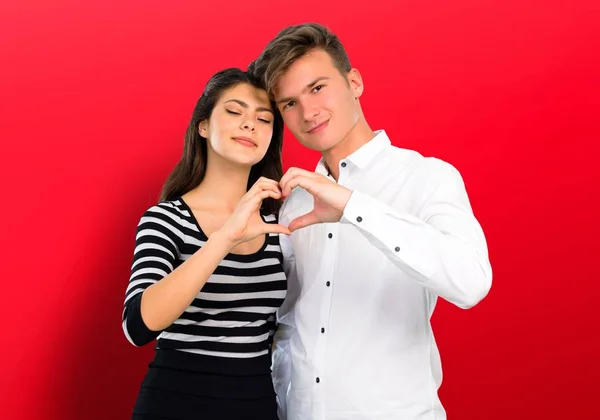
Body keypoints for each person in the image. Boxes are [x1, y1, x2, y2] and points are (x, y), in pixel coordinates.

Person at [248, 23, 493, 420]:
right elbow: (289, 324)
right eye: (289, 103)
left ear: (354, 82)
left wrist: (354, 209)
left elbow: (471, 282)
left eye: (317, 88)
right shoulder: (293, 202)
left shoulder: (426, 177)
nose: (308, 112)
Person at [121, 68, 290, 420]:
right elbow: (137, 327)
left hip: (256, 402)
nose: (250, 124)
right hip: (175, 401)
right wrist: (224, 237)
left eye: (264, 118)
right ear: (203, 125)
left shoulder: (280, 222)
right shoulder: (166, 219)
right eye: (234, 111)